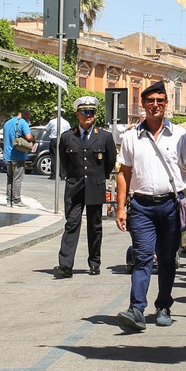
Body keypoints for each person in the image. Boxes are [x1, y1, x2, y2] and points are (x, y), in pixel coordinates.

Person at [115, 81, 186, 332]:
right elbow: (124, 173)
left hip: (171, 205)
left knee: (166, 259)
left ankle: (163, 305)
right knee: (142, 257)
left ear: (166, 105)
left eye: (160, 101)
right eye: (150, 101)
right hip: (141, 205)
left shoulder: (180, 136)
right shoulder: (131, 137)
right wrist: (121, 208)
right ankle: (136, 309)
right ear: (143, 104)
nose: (155, 105)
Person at [53, 96, 117, 278]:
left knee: (95, 226)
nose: (89, 115)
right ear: (77, 114)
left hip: (95, 186)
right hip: (74, 188)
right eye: (85, 111)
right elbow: (64, 162)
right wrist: (72, 177)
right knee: (71, 224)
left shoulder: (104, 137)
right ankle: (65, 265)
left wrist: (99, 177)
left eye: (92, 112)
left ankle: (94, 262)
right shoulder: (67, 137)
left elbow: (110, 162)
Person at [2, 109, 33, 208]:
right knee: (17, 179)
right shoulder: (23, 122)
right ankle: (16, 201)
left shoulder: (7, 123)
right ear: (25, 114)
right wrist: (32, 138)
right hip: (18, 155)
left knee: (9, 178)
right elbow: (28, 137)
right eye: (29, 116)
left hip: (7, 155)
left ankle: (9, 200)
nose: (29, 118)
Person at [41, 107, 71, 180]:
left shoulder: (52, 121)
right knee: (62, 157)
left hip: (54, 139)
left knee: (54, 157)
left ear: (56, 113)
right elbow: (69, 131)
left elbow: (46, 128)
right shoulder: (66, 122)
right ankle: (63, 175)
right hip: (63, 140)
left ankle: (54, 174)